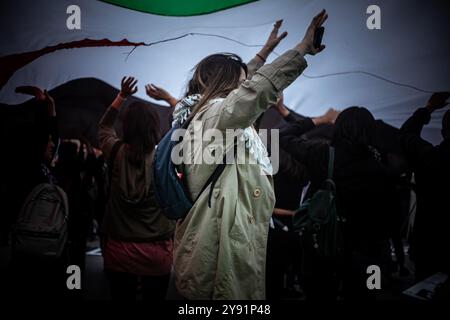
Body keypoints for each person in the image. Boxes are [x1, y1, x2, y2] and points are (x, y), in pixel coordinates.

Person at [170, 12, 328, 299]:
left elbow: (245, 83)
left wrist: (264, 52)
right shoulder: (212, 117)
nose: (245, 84)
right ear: (224, 85)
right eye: (240, 82)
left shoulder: (202, 115)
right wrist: (301, 49)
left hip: (223, 248)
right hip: (217, 261)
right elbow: (252, 91)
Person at [280, 106, 397, 300]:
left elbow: (284, 136)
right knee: (368, 295)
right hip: (368, 255)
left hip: (322, 247)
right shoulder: (380, 167)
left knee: (319, 295)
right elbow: (391, 220)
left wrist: (320, 119)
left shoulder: (323, 154)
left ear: (339, 127)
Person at [98, 76, 175, 300]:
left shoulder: (113, 151)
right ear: (154, 127)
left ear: (127, 127)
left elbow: (104, 126)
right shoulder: (165, 157)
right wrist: (169, 99)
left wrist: (121, 96)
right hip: (157, 253)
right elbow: (189, 130)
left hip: (118, 251)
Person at [400, 92, 450, 281]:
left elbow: (405, 135)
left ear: (443, 132)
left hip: (429, 245)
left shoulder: (430, 157)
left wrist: (429, 108)